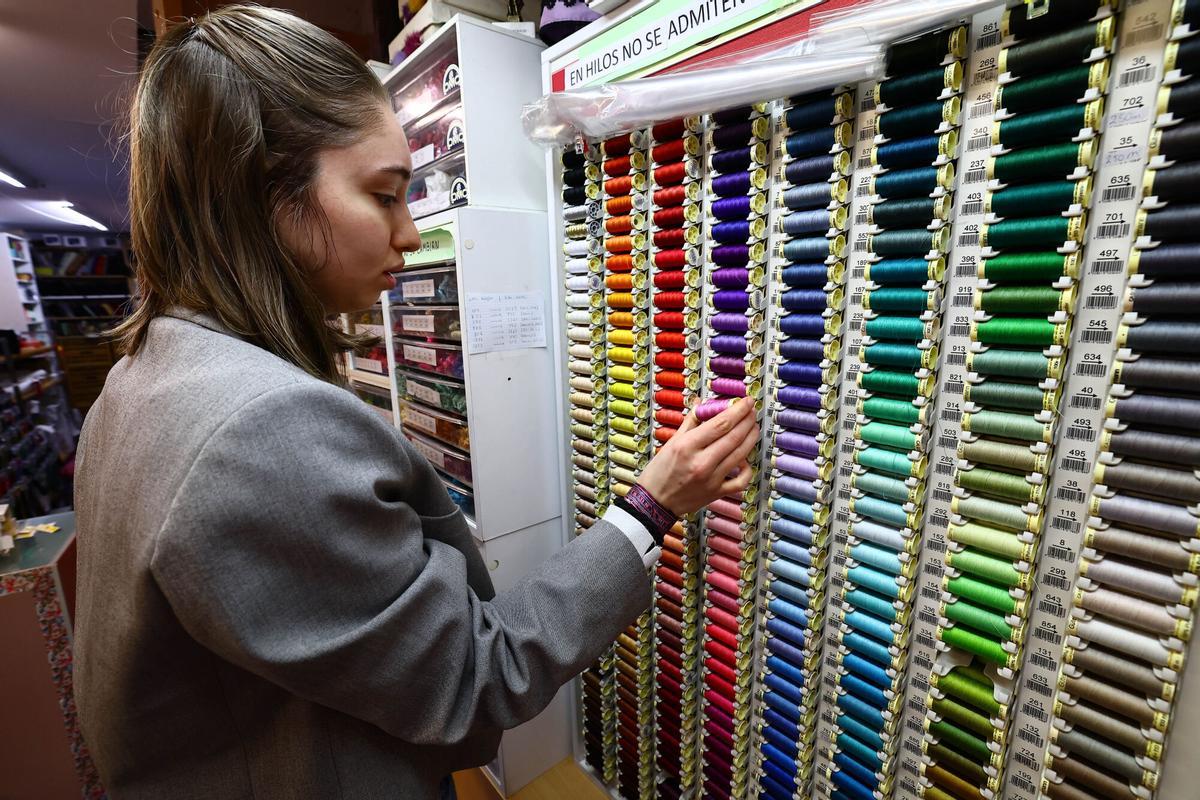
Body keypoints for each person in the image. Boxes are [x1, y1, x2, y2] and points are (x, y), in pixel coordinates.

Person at [73, 7, 759, 799]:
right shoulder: (257, 433)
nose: (408, 233)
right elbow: (476, 679)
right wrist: (651, 504)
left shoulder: (136, 382)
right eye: (386, 195)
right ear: (265, 194)